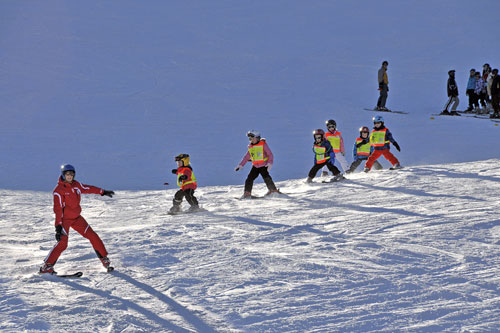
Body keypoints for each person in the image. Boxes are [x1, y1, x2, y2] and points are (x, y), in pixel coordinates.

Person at [39, 164, 115, 274]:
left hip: (77, 218)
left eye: (71, 174)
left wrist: (102, 192)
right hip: (65, 220)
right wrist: (58, 226)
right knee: (63, 243)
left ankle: (104, 259)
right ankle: (47, 266)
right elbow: (58, 209)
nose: (69, 176)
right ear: (63, 175)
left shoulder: (76, 185)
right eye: (67, 174)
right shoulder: (58, 190)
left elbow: (88, 188)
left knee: (93, 236)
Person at [235, 130, 279, 198]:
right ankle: (247, 193)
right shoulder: (251, 147)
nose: (250, 140)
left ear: (257, 138)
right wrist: (241, 165)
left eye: (251, 138)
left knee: (266, 177)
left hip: (264, 165)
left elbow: (270, 154)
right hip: (255, 166)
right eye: (249, 139)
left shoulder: (263, 144)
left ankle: (273, 190)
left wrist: (270, 163)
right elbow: (246, 157)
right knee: (249, 179)